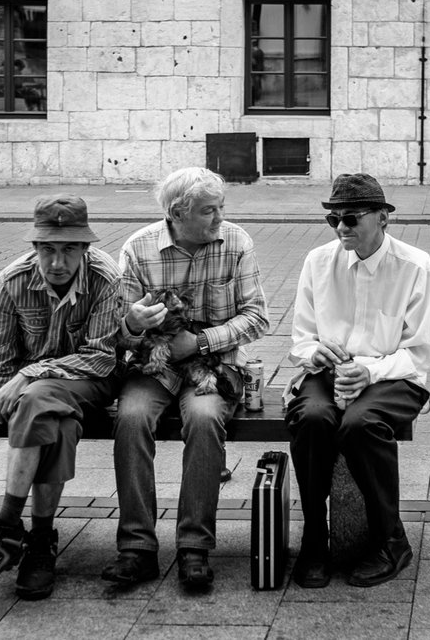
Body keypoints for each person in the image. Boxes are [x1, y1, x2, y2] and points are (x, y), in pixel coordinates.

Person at [0, 195, 121, 600]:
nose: (57, 262)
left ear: (85, 248)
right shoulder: (13, 280)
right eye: (47, 249)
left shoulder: (106, 278)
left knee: (36, 395)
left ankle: (6, 526)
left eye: (69, 249)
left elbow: (100, 358)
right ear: (35, 246)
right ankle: (40, 542)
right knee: (57, 425)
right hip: (35, 402)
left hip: (92, 381)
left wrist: (29, 373)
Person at [101, 167, 268, 589]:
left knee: (205, 418)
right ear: (177, 213)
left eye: (221, 207)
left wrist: (200, 342)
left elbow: (257, 317)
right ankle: (136, 548)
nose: (220, 218)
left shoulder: (236, 242)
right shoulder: (139, 249)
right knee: (131, 417)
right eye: (209, 210)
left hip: (213, 365)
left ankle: (195, 546)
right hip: (153, 365)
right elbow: (118, 331)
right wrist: (133, 324)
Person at [284, 173, 430, 588]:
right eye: (333, 219)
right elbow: (301, 339)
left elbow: (417, 353)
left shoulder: (414, 264)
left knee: (360, 424)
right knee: (312, 418)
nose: (341, 228)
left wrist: (370, 371)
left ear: (383, 218)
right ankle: (314, 539)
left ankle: (391, 540)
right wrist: (315, 353)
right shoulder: (318, 261)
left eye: (351, 218)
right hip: (331, 371)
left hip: (394, 375)